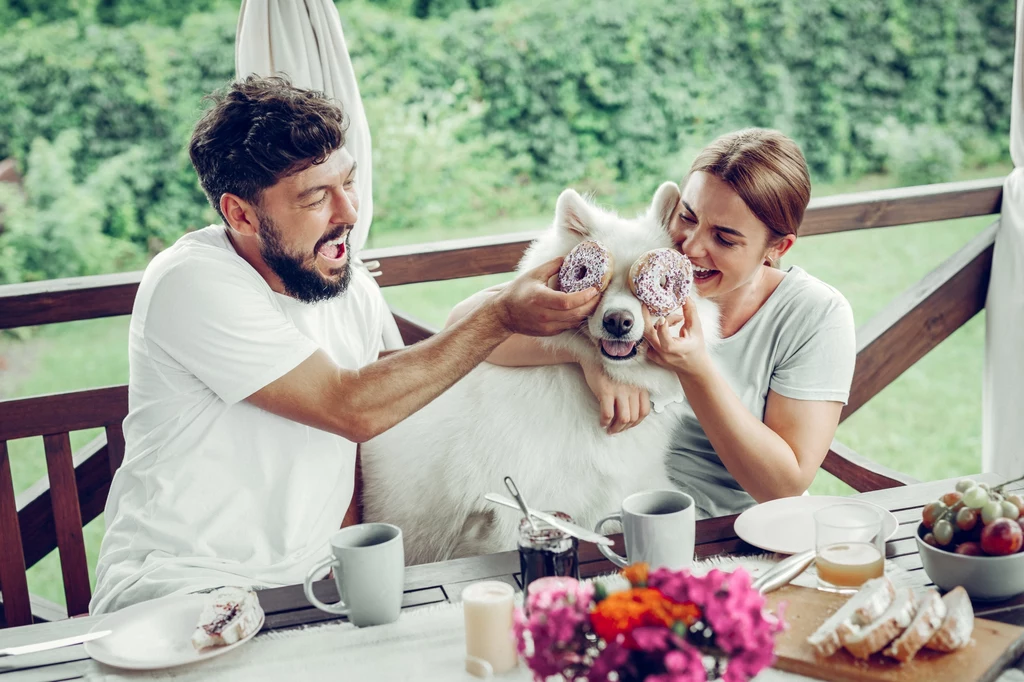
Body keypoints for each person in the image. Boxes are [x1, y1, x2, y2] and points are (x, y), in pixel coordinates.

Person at [90, 76, 600, 614]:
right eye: (315, 198)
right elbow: (352, 406)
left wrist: (584, 354)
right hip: (181, 586)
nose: (350, 213)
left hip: (309, 591)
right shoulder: (190, 282)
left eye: (348, 183)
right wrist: (499, 316)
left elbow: (377, 417)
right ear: (239, 214)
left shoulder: (348, 285)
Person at [447, 128, 856, 519]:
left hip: (735, 528)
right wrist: (590, 359)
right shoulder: (640, 257)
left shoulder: (815, 314)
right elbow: (464, 321)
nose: (692, 248)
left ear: (776, 247)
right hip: (611, 510)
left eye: (725, 238)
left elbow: (782, 486)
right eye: (689, 217)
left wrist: (695, 368)